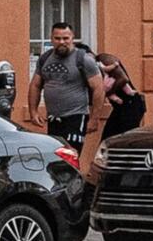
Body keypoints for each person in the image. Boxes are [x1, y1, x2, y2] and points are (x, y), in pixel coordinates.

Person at [25, 22, 106, 151]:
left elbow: (99, 88)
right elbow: (35, 85)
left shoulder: (83, 59)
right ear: (51, 39)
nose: (62, 42)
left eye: (65, 38)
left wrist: (94, 118)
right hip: (54, 118)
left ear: (72, 38)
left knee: (70, 155)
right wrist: (33, 111)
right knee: (57, 157)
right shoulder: (45, 58)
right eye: (57, 38)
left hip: (76, 116)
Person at [93, 53, 147, 141]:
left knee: (125, 139)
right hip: (120, 106)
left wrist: (106, 92)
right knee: (109, 138)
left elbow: (124, 79)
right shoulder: (96, 66)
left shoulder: (104, 58)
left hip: (130, 103)